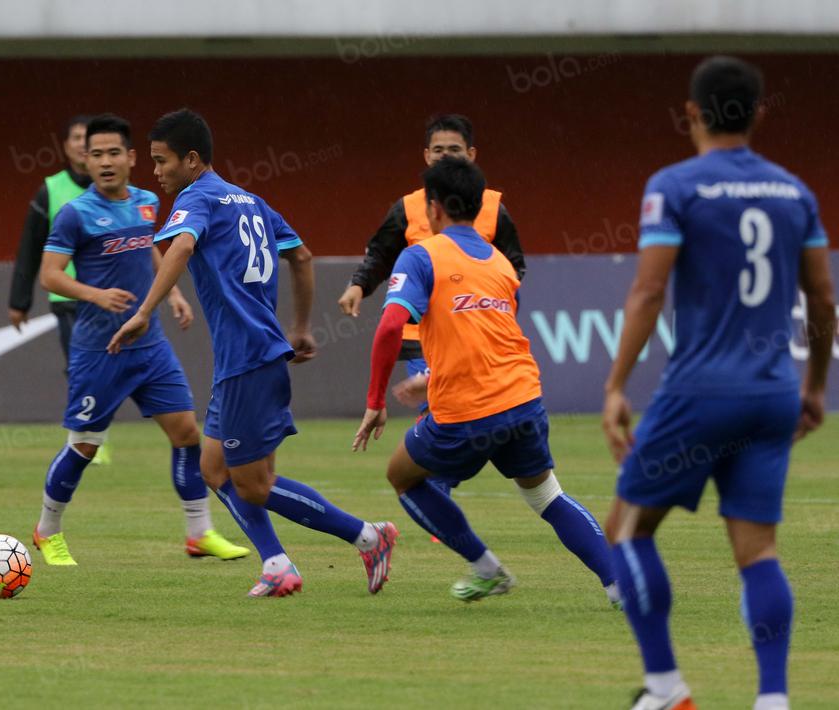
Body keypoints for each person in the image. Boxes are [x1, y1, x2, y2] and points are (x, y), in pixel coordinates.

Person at [602, 56, 834, 710]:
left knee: (625, 530)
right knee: (757, 549)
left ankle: (666, 687)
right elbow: (821, 301)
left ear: (691, 114)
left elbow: (648, 290)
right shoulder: (794, 192)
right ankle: (772, 698)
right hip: (771, 394)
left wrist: (614, 385)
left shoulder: (674, 186)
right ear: (759, 114)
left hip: (700, 391)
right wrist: (813, 388)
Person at [110, 109, 397, 598]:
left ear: (193, 160)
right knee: (214, 469)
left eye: (161, 161)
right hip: (248, 356)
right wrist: (301, 327)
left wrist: (144, 312)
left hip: (248, 357)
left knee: (255, 484)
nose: (153, 172)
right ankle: (277, 564)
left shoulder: (196, 197)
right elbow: (301, 257)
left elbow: (180, 249)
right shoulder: (254, 202)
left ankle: (369, 536)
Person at [353, 157, 618, 608]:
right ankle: (621, 586)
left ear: (433, 208)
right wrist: (433, 376)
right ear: (479, 208)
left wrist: (376, 399)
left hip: (466, 412)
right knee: (546, 495)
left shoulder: (421, 255)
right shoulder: (500, 264)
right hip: (524, 399)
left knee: (401, 475)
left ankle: (486, 569)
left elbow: (389, 326)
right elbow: (488, 339)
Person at [31, 113, 248, 566]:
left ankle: (199, 531)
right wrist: (95, 293)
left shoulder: (148, 202)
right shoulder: (75, 213)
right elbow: (49, 274)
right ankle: (47, 529)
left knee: (188, 434)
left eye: (114, 153)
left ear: (131, 158)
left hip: (150, 347)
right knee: (85, 446)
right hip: (99, 350)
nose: (106, 162)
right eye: (96, 154)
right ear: (84, 160)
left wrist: (175, 297)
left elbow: (147, 245)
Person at [338, 114, 526, 411]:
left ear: (471, 155)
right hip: (423, 335)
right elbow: (381, 254)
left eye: (454, 149)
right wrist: (359, 284)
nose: (445, 156)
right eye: (438, 150)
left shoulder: (492, 208)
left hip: (480, 334)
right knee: (441, 411)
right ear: (427, 156)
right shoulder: (409, 207)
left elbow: (514, 268)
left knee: (479, 413)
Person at [8, 115, 117, 465]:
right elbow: (29, 247)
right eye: (76, 138)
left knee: (108, 367)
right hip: (68, 296)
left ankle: (93, 434)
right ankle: (85, 439)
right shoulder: (51, 189)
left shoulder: (114, 189)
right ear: (66, 147)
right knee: (80, 366)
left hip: (110, 293)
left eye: (89, 138)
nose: (83, 144)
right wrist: (19, 301)